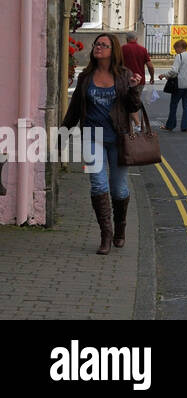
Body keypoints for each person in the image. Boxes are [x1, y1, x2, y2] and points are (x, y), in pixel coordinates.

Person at [61, 33, 144, 254]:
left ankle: (120, 229)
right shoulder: (86, 76)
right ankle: (105, 235)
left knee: (118, 188)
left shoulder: (124, 75)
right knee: (98, 185)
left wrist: (134, 88)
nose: (98, 48)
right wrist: (61, 136)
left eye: (103, 45)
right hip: (91, 137)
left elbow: (133, 106)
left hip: (119, 138)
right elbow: (75, 108)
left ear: (113, 50)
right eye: (97, 44)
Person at [161, 38, 187, 132]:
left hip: (180, 85)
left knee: (173, 105)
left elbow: (174, 70)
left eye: (175, 48)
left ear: (180, 47)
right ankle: (186, 127)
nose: (175, 50)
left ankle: (170, 125)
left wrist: (164, 75)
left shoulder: (179, 56)